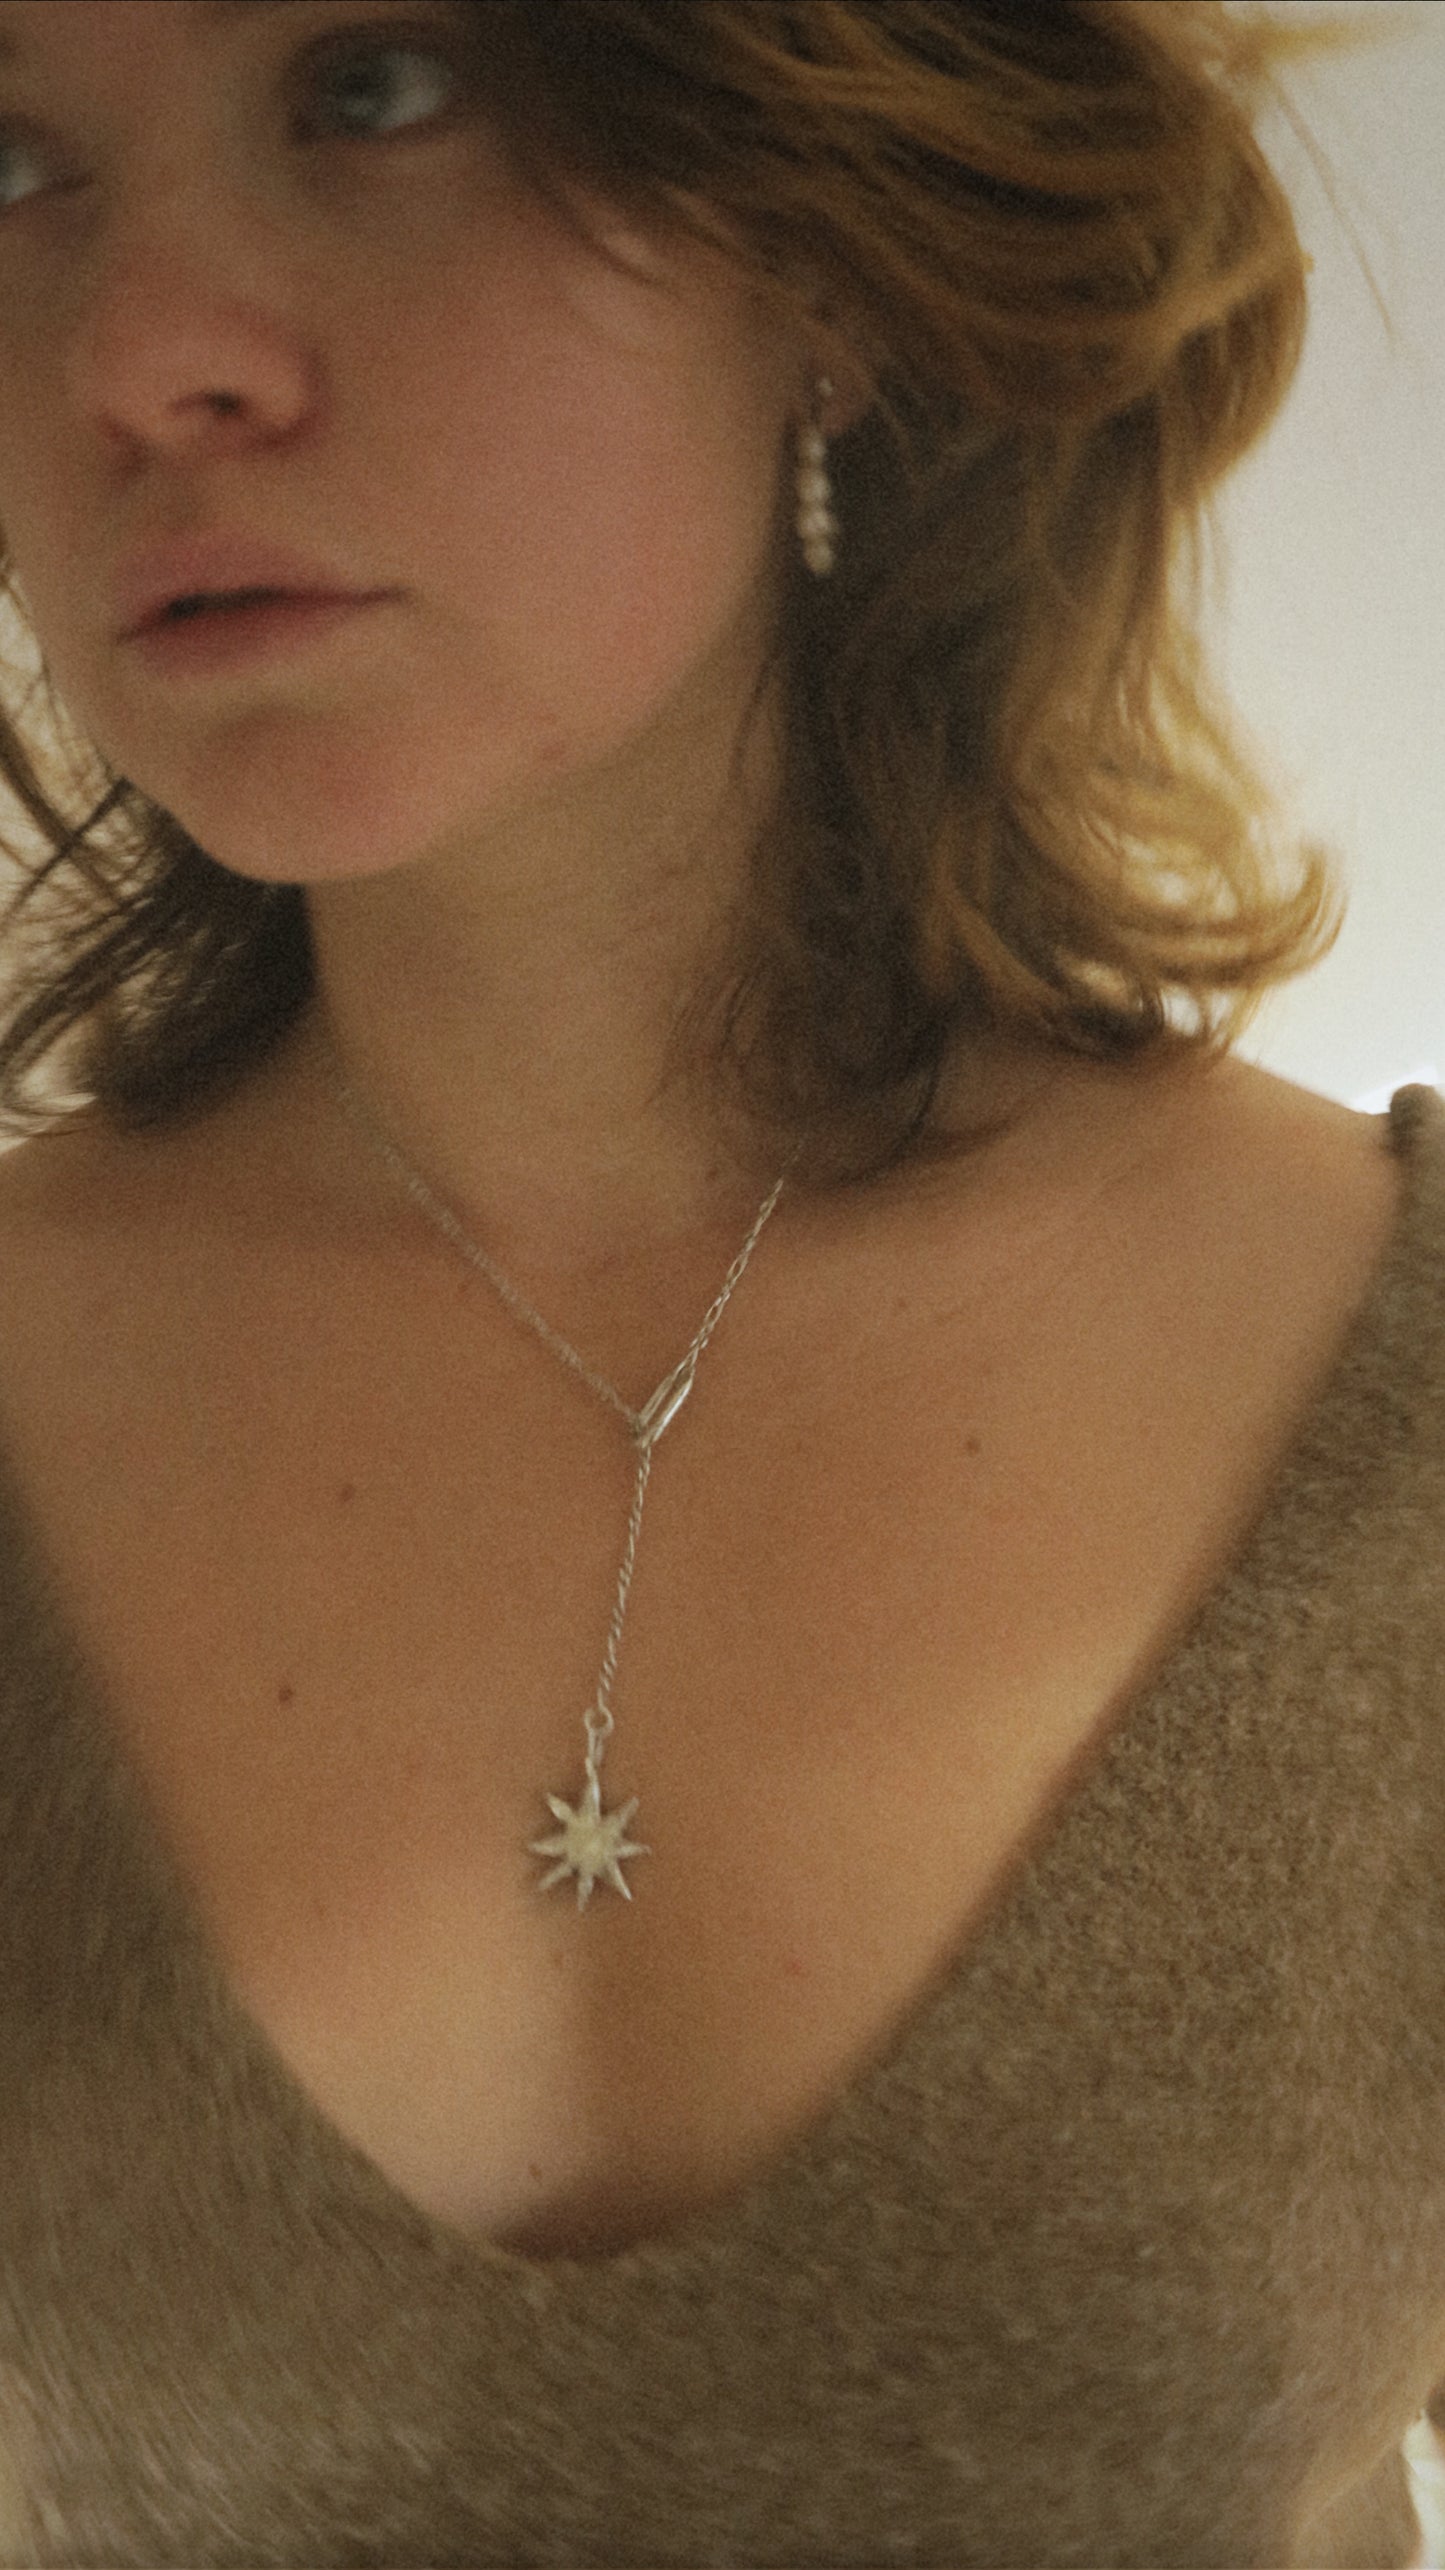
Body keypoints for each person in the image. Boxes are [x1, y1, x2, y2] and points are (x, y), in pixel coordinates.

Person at [0, 2, 1440, 2563]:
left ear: (831, 248)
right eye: (8, 164)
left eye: (377, 87)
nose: (139, 357)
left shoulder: (1399, 1414)